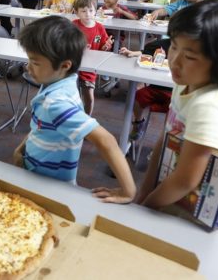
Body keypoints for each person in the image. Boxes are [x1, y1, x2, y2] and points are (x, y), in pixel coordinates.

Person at [137, 1, 218, 236]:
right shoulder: (187, 82)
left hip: (203, 218)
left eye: (189, 56)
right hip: (173, 200)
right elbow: (165, 137)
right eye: (173, 47)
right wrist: (143, 195)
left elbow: (185, 181)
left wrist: (145, 206)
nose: (175, 60)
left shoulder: (211, 105)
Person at [12, 16, 136, 202]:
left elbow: (106, 140)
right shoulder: (61, 81)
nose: (28, 67)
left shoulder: (56, 103)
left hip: (52, 187)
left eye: (35, 62)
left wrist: (129, 191)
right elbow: (41, 125)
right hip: (37, 173)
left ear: (64, 65)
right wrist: (21, 149)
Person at [71, 0, 113, 115]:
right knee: (71, 94)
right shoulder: (74, 26)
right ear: (77, 12)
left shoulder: (99, 28)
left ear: (96, 11)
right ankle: (72, 115)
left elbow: (103, 47)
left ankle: (87, 117)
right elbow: (66, 45)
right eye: (83, 11)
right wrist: (79, 48)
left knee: (88, 95)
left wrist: (106, 46)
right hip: (74, 65)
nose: (88, 14)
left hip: (90, 67)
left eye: (91, 10)